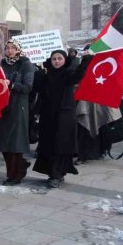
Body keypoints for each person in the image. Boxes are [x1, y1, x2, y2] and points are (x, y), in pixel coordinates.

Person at [32, 50, 83, 188]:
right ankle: (53, 174)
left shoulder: (68, 74)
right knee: (49, 144)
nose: (56, 61)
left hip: (64, 116)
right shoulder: (45, 73)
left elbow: (79, 75)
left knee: (60, 145)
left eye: (60, 58)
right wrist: (39, 73)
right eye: (54, 58)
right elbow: (36, 88)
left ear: (65, 60)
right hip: (48, 115)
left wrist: (87, 58)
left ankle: (57, 174)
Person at [0, 40, 35, 186]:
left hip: (18, 107)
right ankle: (19, 166)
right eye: (7, 48)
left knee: (15, 143)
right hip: (3, 106)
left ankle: (15, 175)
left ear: (18, 50)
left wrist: (12, 84)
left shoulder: (26, 64)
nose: (10, 50)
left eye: (13, 48)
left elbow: (28, 87)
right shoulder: (3, 64)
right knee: (3, 141)